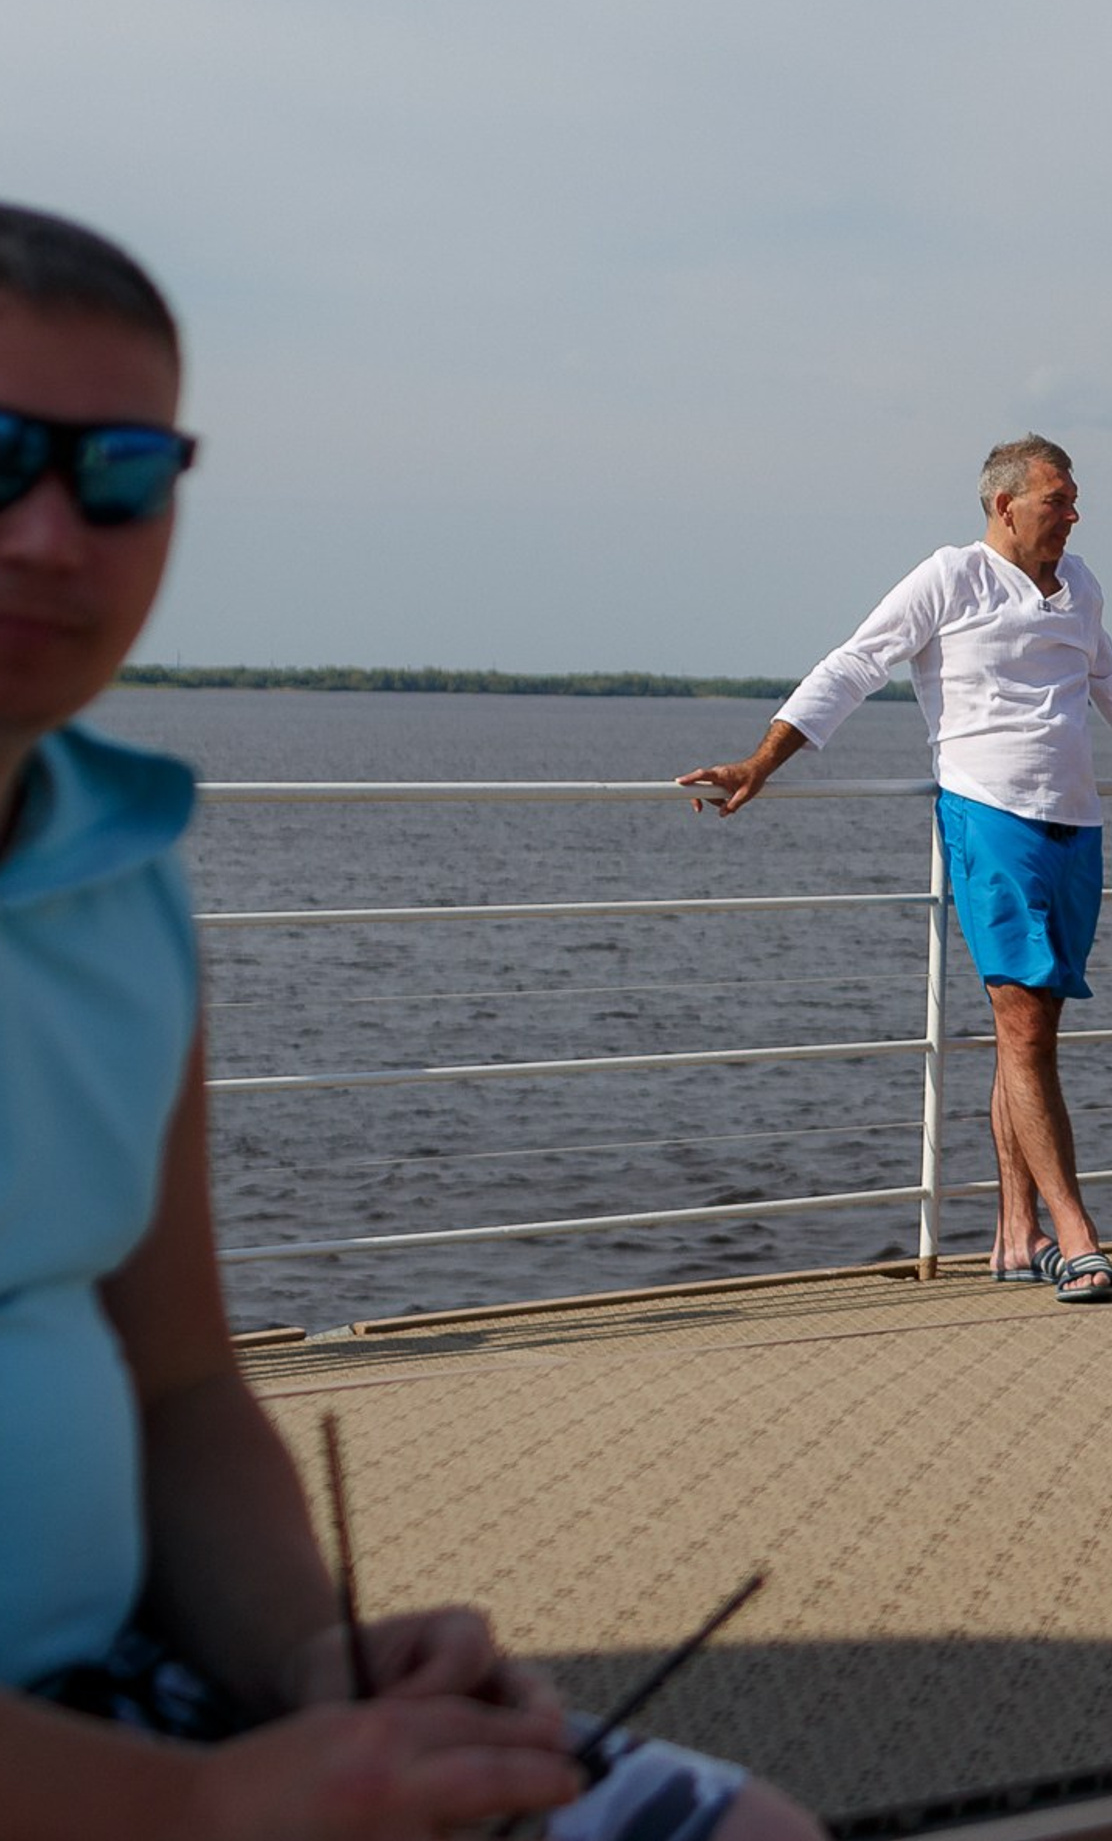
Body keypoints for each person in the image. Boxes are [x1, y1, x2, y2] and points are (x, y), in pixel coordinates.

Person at [0, 202, 821, 1840]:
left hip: (120, 1693)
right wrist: (211, 1813)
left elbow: (174, 1383)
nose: (48, 535)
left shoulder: (121, 880)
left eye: (119, 477)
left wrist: (310, 1667)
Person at [682, 435, 1112, 1305]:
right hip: (988, 815)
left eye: (1076, 497)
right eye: (1059, 498)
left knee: (1032, 1032)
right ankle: (1076, 1232)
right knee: (1022, 1030)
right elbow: (853, 664)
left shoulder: (1080, 585)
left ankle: (1015, 1236)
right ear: (1004, 505)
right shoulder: (949, 577)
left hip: (1077, 823)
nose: (1074, 513)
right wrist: (761, 764)